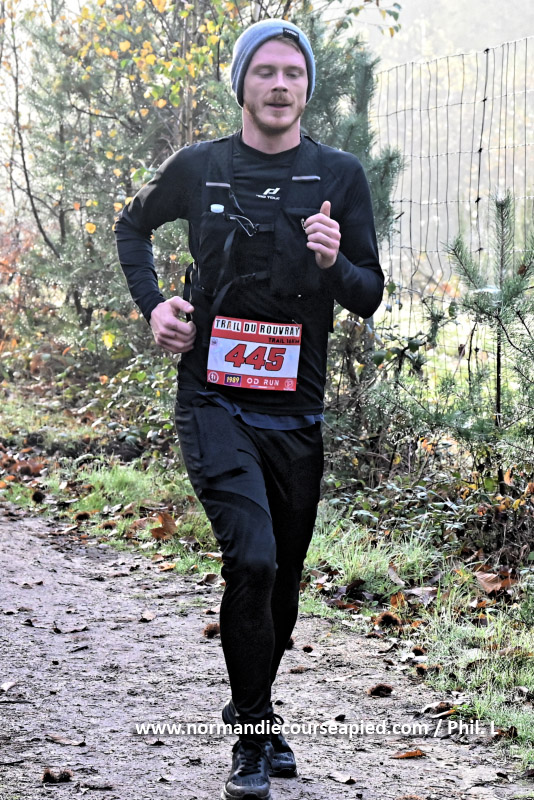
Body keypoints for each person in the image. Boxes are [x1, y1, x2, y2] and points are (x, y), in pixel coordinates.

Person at [115, 17, 383, 800]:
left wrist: (335, 262)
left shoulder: (339, 175)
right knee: (254, 561)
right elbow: (132, 227)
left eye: (293, 73)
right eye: (264, 71)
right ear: (241, 83)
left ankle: (259, 709)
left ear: (308, 88)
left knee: (284, 582)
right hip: (213, 401)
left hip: (297, 414)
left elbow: (370, 294)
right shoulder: (199, 167)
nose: (279, 85)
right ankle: (250, 736)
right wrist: (155, 306)